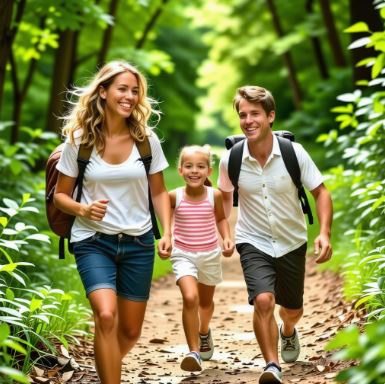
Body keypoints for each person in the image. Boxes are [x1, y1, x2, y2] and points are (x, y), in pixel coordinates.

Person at [53, 60, 172, 384]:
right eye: (122, 89)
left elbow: (159, 192)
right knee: (106, 316)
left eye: (135, 91)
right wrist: (83, 209)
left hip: (138, 242)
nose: (130, 96)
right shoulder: (80, 141)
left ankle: (106, 367)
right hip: (93, 242)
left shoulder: (146, 140)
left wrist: (168, 232)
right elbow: (59, 196)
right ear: (103, 92)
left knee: (130, 332)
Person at [218, 86, 333, 384]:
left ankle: (288, 330)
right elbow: (222, 198)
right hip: (252, 240)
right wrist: (224, 232)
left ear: (270, 116)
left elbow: (320, 192)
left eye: (255, 114)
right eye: (243, 115)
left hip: (292, 240)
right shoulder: (231, 158)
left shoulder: (293, 153)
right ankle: (272, 365)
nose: (248, 120)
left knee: (292, 309)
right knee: (264, 301)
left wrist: (324, 233)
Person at [169, 145, 235, 372]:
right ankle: (193, 352)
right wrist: (166, 238)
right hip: (183, 254)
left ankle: (204, 330)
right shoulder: (173, 197)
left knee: (205, 304)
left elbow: (221, 219)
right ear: (180, 170)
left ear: (209, 171)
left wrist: (227, 237)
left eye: (200, 166)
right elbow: (163, 219)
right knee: (190, 297)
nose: (194, 171)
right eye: (188, 166)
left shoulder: (213, 195)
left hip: (209, 255)